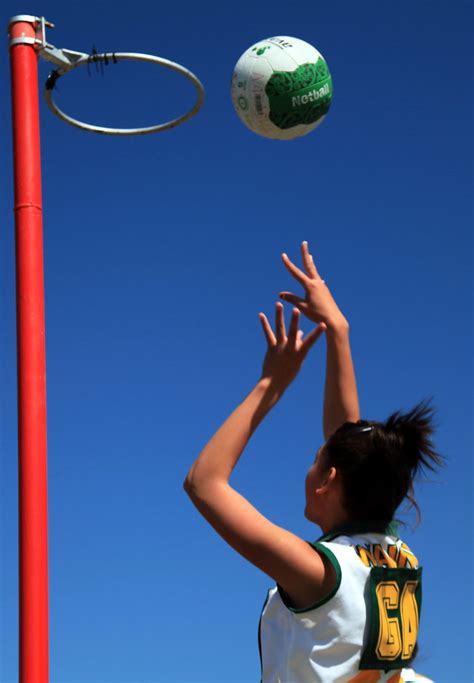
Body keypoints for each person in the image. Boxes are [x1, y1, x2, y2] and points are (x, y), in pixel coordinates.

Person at [184, 241, 441, 683]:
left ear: (329, 480)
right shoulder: (395, 554)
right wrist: (337, 330)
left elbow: (204, 482)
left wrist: (271, 384)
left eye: (315, 460)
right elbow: (349, 443)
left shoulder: (319, 572)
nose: (309, 466)